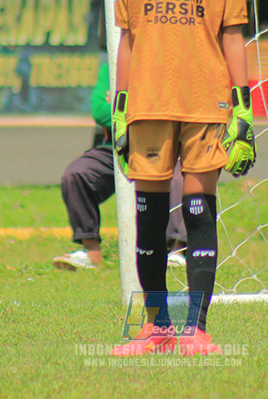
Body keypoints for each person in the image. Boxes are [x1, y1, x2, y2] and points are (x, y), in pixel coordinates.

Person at [109, 0, 255, 358]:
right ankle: (156, 328)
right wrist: (120, 105)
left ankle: (197, 328)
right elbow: (127, 40)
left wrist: (242, 107)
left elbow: (233, 36)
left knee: (198, 214)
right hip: (147, 106)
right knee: (148, 219)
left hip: (206, 106)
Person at [52, 60, 187, 270]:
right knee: (76, 175)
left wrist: (122, 106)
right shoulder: (111, 65)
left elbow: (175, 107)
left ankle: (177, 252)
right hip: (118, 145)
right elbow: (100, 111)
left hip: (164, 143)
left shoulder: (168, 60)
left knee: (184, 175)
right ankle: (91, 253)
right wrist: (146, 106)